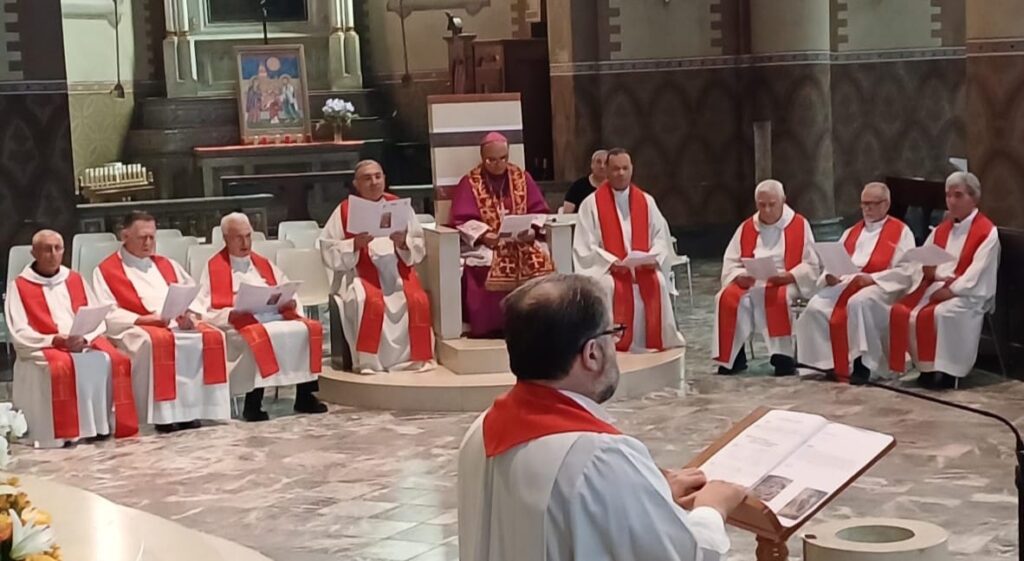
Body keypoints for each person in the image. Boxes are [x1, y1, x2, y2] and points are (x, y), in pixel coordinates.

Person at [458, 274, 746, 561]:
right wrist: (711, 508)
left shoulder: (479, 431)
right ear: (592, 353)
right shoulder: (599, 457)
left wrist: (647, 494)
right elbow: (683, 557)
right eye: (613, 333)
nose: (615, 345)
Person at [93, 212, 229, 434]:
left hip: (174, 323)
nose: (148, 243)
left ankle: (192, 410)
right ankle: (163, 415)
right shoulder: (106, 270)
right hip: (135, 327)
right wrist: (142, 319)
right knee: (152, 343)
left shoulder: (167, 265)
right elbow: (107, 311)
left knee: (212, 336)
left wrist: (189, 315)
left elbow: (194, 294)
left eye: (152, 237)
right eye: (142, 238)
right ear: (124, 236)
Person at [6, 229, 138, 446]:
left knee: (110, 359)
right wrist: (54, 340)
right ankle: (65, 433)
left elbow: (97, 315)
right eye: (46, 249)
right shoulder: (19, 286)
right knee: (62, 366)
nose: (53, 254)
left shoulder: (75, 279)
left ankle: (99, 426)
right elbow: (19, 330)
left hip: (80, 341)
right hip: (46, 346)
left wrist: (84, 338)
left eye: (57, 248)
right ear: (33, 253)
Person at [194, 213, 327, 421]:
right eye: (238, 237)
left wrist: (290, 301)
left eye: (248, 236)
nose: (245, 243)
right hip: (238, 321)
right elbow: (204, 307)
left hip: (272, 315)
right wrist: (230, 313)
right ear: (226, 238)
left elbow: (284, 286)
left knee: (306, 329)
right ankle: (253, 403)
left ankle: (304, 395)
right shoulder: (214, 268)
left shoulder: (262, 263)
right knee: (257, 337)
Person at [888, 171, 1000, 389]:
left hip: (968, 293)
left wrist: (952, 290)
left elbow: (979, 271)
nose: (951, 201)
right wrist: (928, 271)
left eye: (958, 195)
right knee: (903, 311)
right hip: (936, 286)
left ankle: (950, 371)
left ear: (974, 197)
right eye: (948, 195)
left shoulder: (987, 232)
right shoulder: (941, 230)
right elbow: (924, 259)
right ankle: (926, 369)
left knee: (942, 314)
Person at [320, 160, 435, 373]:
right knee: (364, 299)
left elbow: (419, 242)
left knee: (417, 299)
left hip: (398, 271)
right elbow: (328, 248)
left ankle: (413, 358)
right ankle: (369, 362)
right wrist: (354, 244)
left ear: (384, 179)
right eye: (367, 178)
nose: (374, 182)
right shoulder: (345, 210)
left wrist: (404, 242)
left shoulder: (399, 206)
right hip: (360, 273)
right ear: (356, 184)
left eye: (377, 176)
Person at [795, 183, 915, 384]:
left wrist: (872, 278)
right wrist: (829, 276)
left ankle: (864, 365)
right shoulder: (851, 232)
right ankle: (826, 364)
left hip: (880, 287)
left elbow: (907, 271)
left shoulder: (902, 232)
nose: (867, 208)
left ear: (886, 204)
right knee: (816, 306)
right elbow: (836, 260)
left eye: (872, 204)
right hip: (847, 282)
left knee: (859, 303)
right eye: (864, 204)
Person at [572, 148, 685, 352]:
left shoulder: (646, 201)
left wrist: (653, 257)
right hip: (609, 270)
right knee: (608, 286)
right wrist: (611, 262)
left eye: (625, 168)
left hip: (643, 267)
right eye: (616, 169)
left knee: (658, 281)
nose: (621, 173)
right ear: (607, 170)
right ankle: (611, 344)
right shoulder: (591, 204)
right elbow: (585, 245)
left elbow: (661, 236)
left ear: (632, 169)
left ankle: (655, 340)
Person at [449, 131, 554, 338]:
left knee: (540, 259)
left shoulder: (521, 177)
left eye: (503, 158)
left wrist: (531, 230)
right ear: (482, 157)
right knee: (487, 263)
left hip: (520, 241)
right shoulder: (470, 182)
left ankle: (535, 321)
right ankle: (492, 326)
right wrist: (484, 235)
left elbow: (539, 210)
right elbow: (461, 219)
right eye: (492, 160)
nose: (498, 164)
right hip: (488, 243)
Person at [713, 180, 819, 376]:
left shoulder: (799, 225)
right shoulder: (747, 227)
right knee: (726, 297)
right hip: (752, 280)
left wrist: (789, 275)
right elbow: (731, 261)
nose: (767, 210)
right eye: (762, 205)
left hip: (784, 280)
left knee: (777, 297)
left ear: (783, 200)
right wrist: (738, 276)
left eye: (772, 204)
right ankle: (734, 358)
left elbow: (811, 264)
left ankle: (782, 357)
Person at [561, 149, 608, 213]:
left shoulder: (616, 186)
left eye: (606, 163)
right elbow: (567, 212)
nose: (602, 166)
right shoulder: (578, 186)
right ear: (592, 165)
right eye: (598, 162)